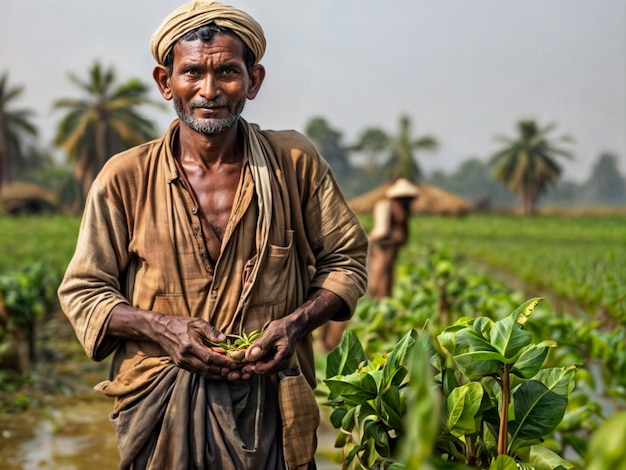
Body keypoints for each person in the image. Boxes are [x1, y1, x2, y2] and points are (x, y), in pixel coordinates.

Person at [57, 2, 368, 469]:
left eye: (227, 71)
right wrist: (162, 329)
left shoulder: (293, 164)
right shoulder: (124, 177)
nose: (209, 90)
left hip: (270, 413)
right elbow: (84, 291)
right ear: (166, 82)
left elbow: (346, 259)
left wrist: (294, 324)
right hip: (160, 406)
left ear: (254, 80)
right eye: (192, 72)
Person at [366, 178, 419, 298]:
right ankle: (377, 302)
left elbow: (383, 230)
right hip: (383, 246)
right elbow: (382, 231)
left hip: (390, 246)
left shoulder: (401, 210)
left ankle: (382, 304)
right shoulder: (386, 206)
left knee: (385, 277)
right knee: (380, 277)